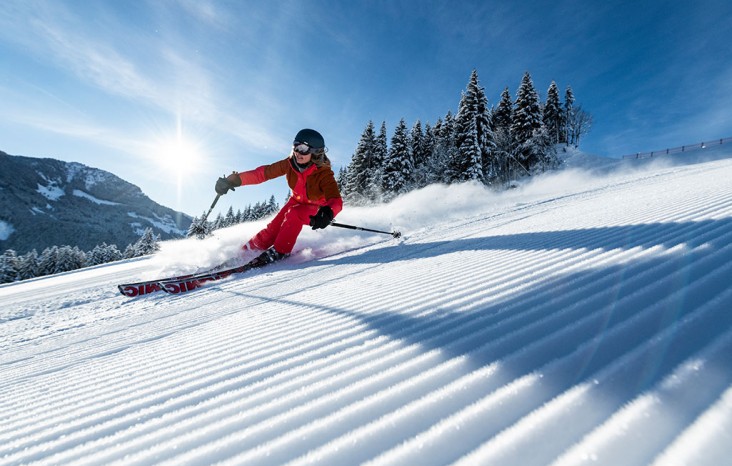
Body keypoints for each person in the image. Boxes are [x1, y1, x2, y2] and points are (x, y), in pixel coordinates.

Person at [214, 128, 343, 266]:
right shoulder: (289, 163)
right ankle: (247, 252)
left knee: (294, 214)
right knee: (273, 228)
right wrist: (235, 180)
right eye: (296, 146)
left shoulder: (324, 174)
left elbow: (336, 200)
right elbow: (263, 173)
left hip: (316, 208)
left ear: (316, 152)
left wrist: (328, 212)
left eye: (304, 149)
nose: (298, 152)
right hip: (295, 200)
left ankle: (280, 251)